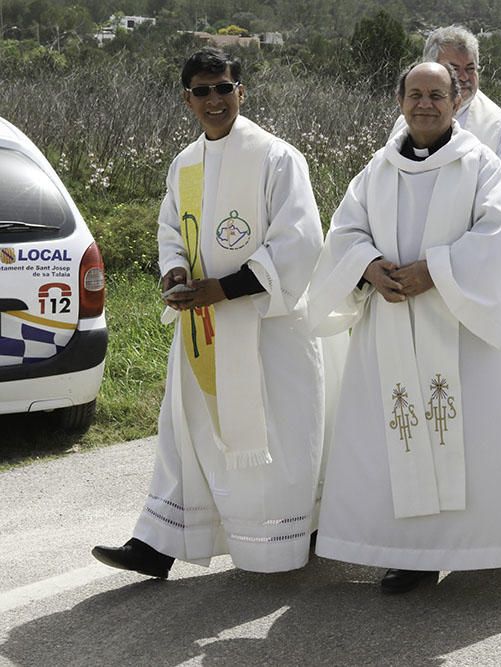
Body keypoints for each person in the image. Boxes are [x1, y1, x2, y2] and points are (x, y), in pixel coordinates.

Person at [306, 62, 501, 595]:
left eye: (437, 94)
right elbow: (344, 231)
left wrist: (432, 270)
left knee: (469, 440)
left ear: (457, 102)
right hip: (391, 323)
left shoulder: (479, 165)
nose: (425, 104)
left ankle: (472, 546)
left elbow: (498, 234)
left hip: (461, 330)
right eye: (415, 94)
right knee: (399, 440)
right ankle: (409, 556)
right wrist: (367, 266)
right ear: (399, 99)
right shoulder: (378, 170)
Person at [92, 48, 326, 577]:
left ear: (241, 92)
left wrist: (226, 288)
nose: (214, 100)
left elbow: (299, 243)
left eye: (224, 88)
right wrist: (174, 272)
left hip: (266, 329)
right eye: (203, 91)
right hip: (202, 326)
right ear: (187, 99)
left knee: (275, 437)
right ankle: (159, 542)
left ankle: (290, 537)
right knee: (186, 434)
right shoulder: (186, 164)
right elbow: (171, 231)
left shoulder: (277, 158)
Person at [389, 25, 501, 209]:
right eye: (453, 69)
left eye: (470, 69)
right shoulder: (407, 120)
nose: (464, 77)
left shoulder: (498, 128)